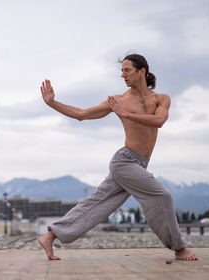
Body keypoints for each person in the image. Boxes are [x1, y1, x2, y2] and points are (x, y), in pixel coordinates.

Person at [38, 54, 198, 261]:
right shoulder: (118, 100)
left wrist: (126, 114)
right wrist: (53, 103)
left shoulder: (161, 98)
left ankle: (50, 236)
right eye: (121, 71)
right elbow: (82, 114)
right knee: (162, 196)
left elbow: (159, 121)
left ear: (142, 71)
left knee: (98, 203)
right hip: (125, 161)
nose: (122, 75)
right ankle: (179, 248)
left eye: (127, 70)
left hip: (139, 163)